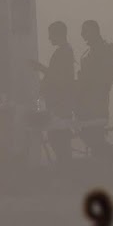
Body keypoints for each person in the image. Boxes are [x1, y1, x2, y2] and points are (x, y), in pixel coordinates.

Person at [31, 21, 76, 165]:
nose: (49, 38)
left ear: (58, 34)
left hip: (60, 103)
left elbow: (59, 77)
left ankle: (65, 170)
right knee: (58, 137)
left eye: (51, 34)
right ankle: (65, 169)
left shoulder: (64, 52)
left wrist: (40, 68)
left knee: (58, 137)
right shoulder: (64, 51)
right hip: (60, 102)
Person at [76, 20, 113, 157]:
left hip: (97, 102)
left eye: (85, 31)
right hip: (85, 103)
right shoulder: (87, 53)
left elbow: (106, 75)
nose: (82, 34)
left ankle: (109, 162)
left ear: (94, 31)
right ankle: (105, 163)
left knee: (95, 137)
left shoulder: (108, 48)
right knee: (89, 135)